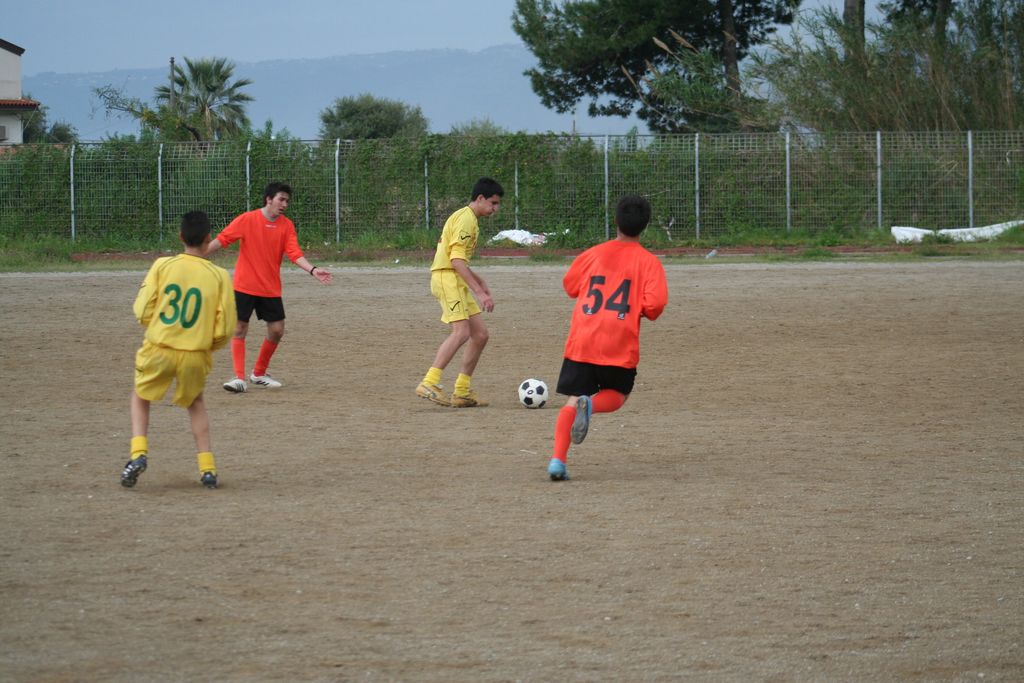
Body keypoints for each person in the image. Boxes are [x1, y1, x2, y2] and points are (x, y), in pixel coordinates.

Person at [547, 194, 669, 481]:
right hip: (619, 341)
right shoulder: (649, 262)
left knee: (573, 399)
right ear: (646, 226)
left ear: (615, 221)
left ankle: (557, 461)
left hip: (584, 338)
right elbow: (655, 305)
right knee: (618, 394)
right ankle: (591, 406)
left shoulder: (593, 254)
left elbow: (570, 286)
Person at [121, 211, 237, 489]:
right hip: (195, 353)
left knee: (140, 396)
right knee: (195, 402)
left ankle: (138, 454)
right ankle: (207, 469)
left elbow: (142, 309)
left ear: (181, 237)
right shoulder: (219, 275)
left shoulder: (163, 265)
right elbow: (225, 326)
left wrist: (157, 326)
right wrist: (205, 345)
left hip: (159, 347)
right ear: (209, 239)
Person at [206, 181, 332, 393]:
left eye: (287, 201)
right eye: (281, 199)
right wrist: (195, 255)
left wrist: (313, 270)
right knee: (239, 329)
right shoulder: (247, 219)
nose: (284, 204)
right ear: (269, 199)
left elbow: (294, 253)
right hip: (244, 286)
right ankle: (238, 378)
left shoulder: (286, 226)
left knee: (277, 330)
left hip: (269, 288)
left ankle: (258, 373)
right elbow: (222, 240)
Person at [415, 177, 504, 408]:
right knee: (462, 332)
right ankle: (429, 382)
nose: (496, 209)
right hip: (447, 279)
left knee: (480, 335)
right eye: (493, 203)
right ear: (480, 198)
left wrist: (478, 280)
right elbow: (455, 260)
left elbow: (459, 259)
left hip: (455, 279)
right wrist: (480, 293)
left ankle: (462, 391)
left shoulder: (468, 218)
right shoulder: (466, 220)